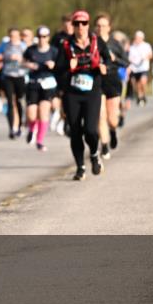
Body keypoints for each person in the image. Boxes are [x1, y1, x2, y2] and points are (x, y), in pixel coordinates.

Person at [56, 10, 111, 180]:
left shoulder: (97, 42)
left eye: (84, 23)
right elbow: (57, 71)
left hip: (92, 91)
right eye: (77, 23)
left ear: (88, 25)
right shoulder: (65, 45)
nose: (80, 27)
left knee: (90, 130)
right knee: (75, 131)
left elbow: (108, 61)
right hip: (72, 93)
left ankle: (94, 154)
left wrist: (104, 68)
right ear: (72, 26)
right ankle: (80, 167)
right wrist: (68, 67)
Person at [95, 14, 126, 160]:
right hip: (97, 80)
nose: (101, 28)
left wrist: (115, 59)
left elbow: (126, 62)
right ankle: (105, 145)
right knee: (101, 115)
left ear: (109, 27)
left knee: (112, 119)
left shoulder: (115, 43)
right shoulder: (92, 43)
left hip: (112, 80)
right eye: (98, 25)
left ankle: (113, 131)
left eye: (104, 25)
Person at [23, 26, 59, 152]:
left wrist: (53, 65)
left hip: (48, 84)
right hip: (33, 84)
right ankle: (32, 129)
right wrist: (29, 65)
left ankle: (39, 141)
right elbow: (23, 62)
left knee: (44, 112)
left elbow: (60, 66)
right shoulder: (30, 50)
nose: (41, 39)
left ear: (48, 37)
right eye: (39, 37)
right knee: (31, 114)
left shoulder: (54, 51)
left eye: (44, 37)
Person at [0, 27, 27, 139]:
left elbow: (30, 60)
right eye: (11, 36)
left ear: (19, 36)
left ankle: (19, 126)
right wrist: (4, 57)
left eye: (15, 36)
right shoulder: (4, 45)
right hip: (7, 76)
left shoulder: (23, 46)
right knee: (10, 102)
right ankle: (11, 129)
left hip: (20, 76)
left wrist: (21, 59)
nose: (13, 38)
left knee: (19, 101)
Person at [50, 14, 75, 136]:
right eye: (65, 22)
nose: (67, 25)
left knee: (70, 99)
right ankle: (63, 120)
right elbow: (51, 52)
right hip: (60, 73)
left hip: (75, 73)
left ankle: (66, 122)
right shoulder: (57, 37)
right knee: (61, 98)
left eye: (70, 22)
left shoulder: (78, 36)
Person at [128, 31, 153, 107]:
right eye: (136, 37)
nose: (137, 39)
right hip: (135, 69)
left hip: (143, 68)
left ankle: (143, 94)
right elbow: (129, 58)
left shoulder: (146, 45)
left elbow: (151, 55)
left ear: (142, 38)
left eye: (139, 38)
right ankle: (140, 97)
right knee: (137, 84)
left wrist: (146, 57)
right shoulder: (132, 47)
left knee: (143, 82)